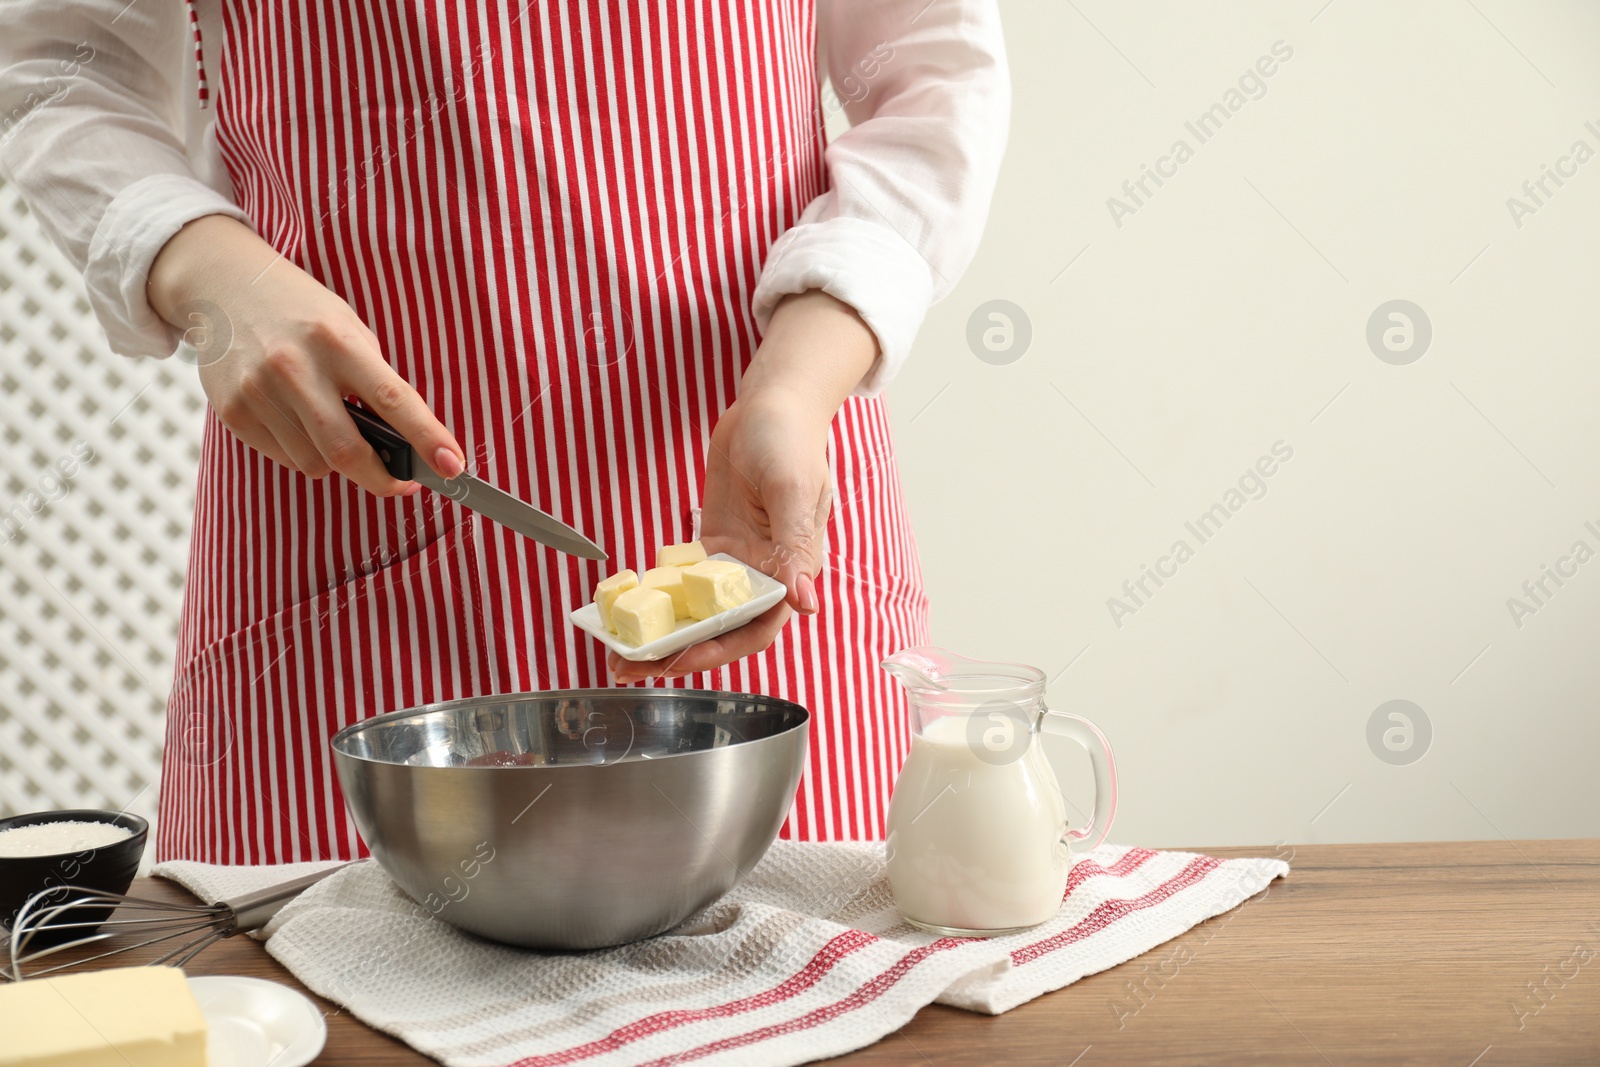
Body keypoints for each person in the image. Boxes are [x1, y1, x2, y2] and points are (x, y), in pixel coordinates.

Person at [0, 0, 1008, 863]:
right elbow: (58, 68)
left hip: (757, 518)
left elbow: (931, 74)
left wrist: (794, 385)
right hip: (340, 550)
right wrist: (203, 267)